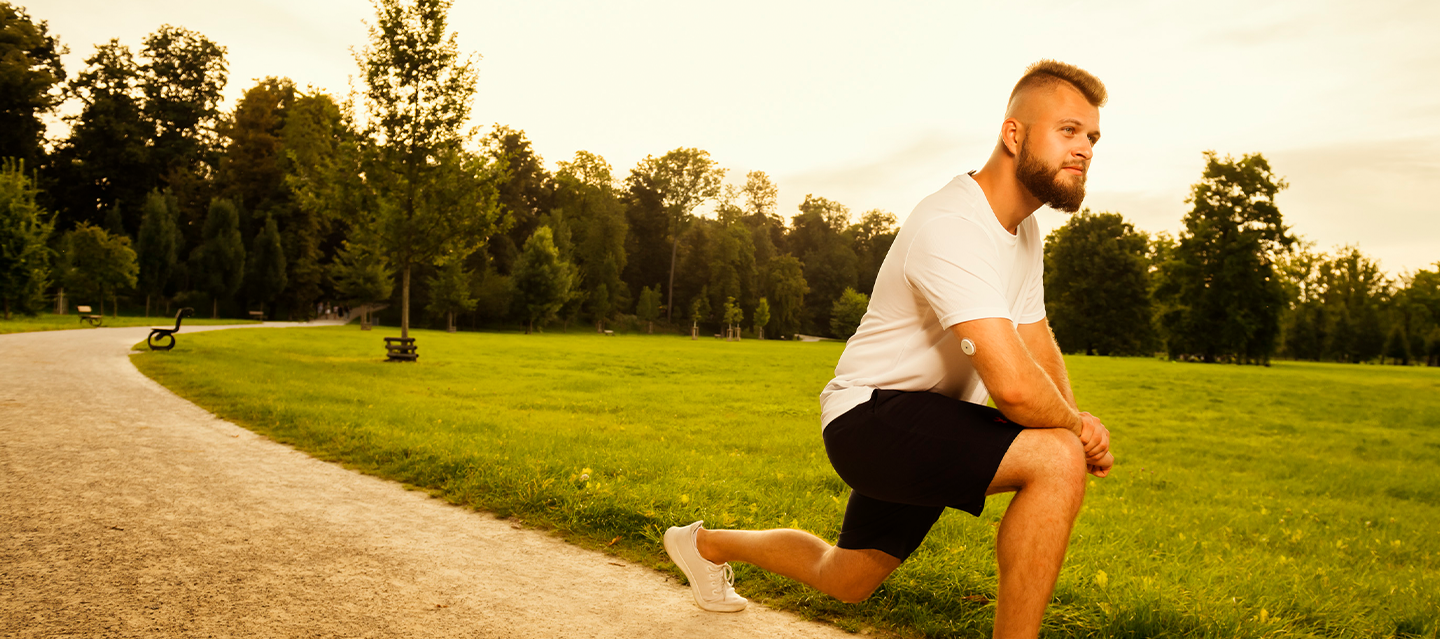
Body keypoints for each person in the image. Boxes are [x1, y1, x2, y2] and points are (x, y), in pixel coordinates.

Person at [663, 59, 1116, 638]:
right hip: (869, 418)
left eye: (1093, 137)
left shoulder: (1024, 232)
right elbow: (1014, 388)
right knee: (1056, 460)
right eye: (1069, 130)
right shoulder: (953, 222)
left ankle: (702, 545)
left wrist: (1071, 420)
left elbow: (1035, 338)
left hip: (927, 418)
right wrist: (1076, 432)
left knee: (847, 578)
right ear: (1013, 133)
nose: (1085, 149)